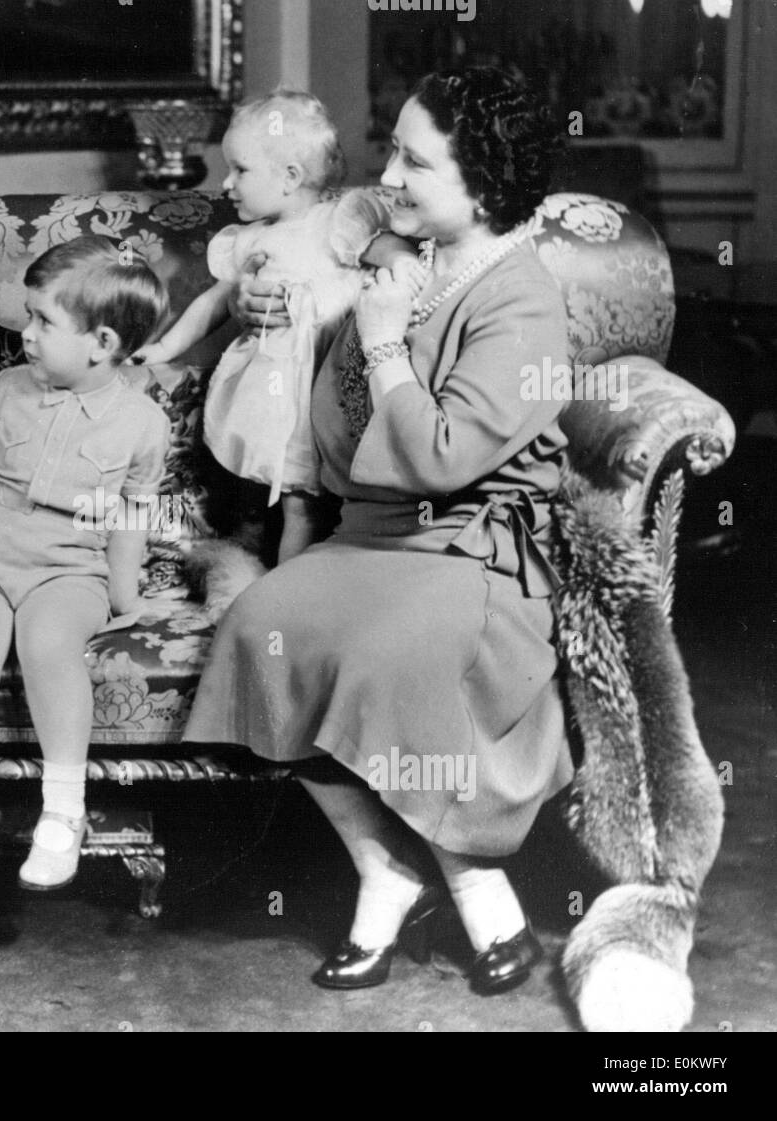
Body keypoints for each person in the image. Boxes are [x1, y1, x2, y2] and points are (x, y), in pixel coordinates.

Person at [184, 68, 571, 995]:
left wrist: (389, 341)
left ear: (481, 184)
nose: (386, 174)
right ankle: (382, 866)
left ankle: (475, 885)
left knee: (383, 651)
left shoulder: (521, 300)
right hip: (374, 536)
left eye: (415, 160)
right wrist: (281, 312)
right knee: (265, 628)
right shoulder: (398, 254)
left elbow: (441, 459)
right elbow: (334, 419)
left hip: (472, 553)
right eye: (390, 145)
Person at [0, 235, 171, 891]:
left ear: (102, 343)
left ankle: (63, 812)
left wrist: (125, 595)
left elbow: (129, 518)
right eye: (28, 316)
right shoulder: (8, 387)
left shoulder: (143, 422)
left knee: (49, 643)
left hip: (68, 566)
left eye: (43, 322)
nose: (26, 333)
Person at [133, 89, 411, 564]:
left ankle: (288, 596)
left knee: (305, 506)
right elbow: (214, 301)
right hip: (266, 396)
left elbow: (384, 248)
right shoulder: (249, 239)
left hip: (320, 389)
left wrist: (403, 266)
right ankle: (258, 577)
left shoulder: (339, 220)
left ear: (289, 177)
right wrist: (164, 347)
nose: (226, 184)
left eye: (240, 170)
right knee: (266, 498)